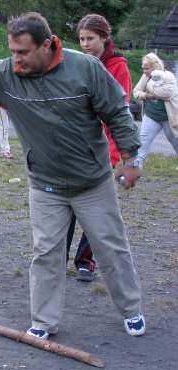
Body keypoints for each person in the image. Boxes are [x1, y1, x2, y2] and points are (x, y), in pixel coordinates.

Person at [0, 7, 145, 339]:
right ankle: (44, 321)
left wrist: (130, 158)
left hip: (91, 182)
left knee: (111, 247)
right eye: (12, 51)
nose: (16, 59)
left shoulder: (84, 68)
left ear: (47, 45)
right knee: (46, 252)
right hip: (46, 184)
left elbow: (117, 111)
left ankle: (131, 309)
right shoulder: (6, 74)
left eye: (23, 52)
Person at [65, 13, 132, 282]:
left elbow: (120, 114)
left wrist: (117, 152)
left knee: (95, 211)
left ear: (104, 38)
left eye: (90, 38)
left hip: (102, 148)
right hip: (72, 146)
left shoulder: (117, 66)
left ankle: (85, 260)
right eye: (81, 39)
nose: (84, 44)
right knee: (64, 207)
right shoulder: (77, 63)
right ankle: (57, 259)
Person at [133, 53, 178, 167]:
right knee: (143, 140)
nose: (144, 71)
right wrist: (147, 96)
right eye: (143, 68)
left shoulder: (169, 76)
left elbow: (167, 94)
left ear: (155, 66)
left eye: (147, 68)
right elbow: (136, 92)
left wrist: (148, 88)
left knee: (175, 141)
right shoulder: (145, 76)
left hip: (168, 117)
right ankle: (136, 166)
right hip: (151, 116)